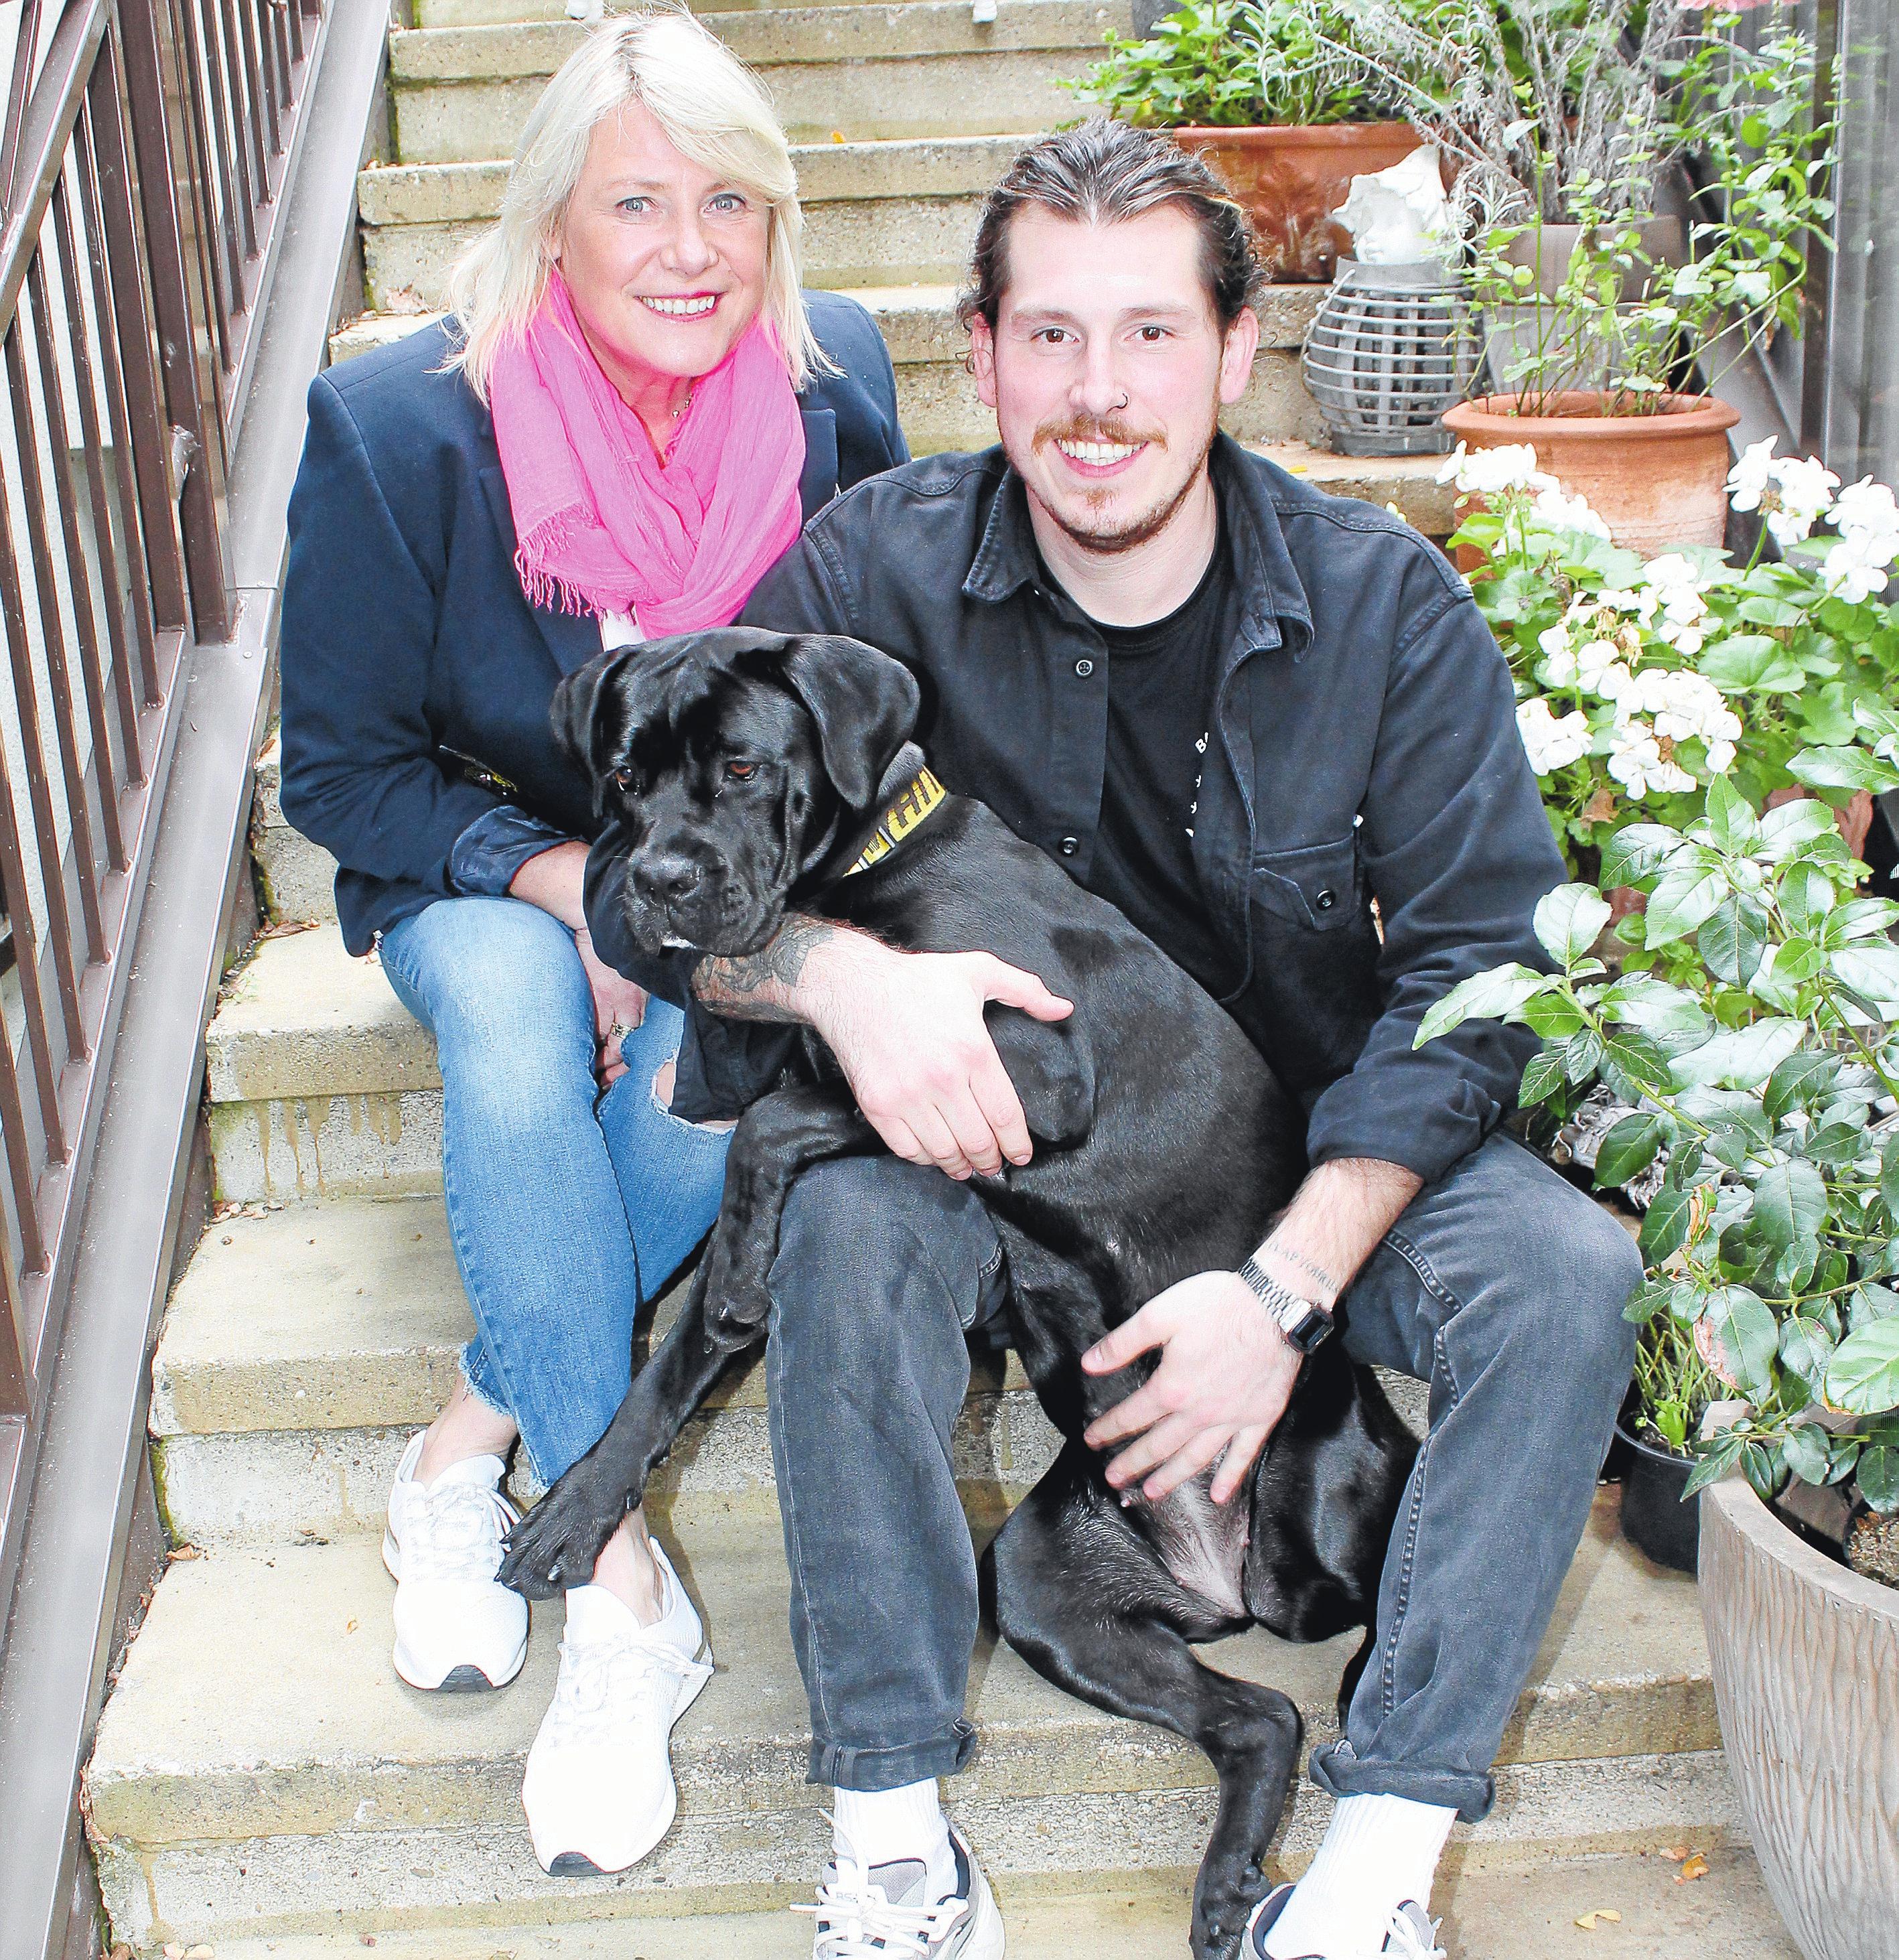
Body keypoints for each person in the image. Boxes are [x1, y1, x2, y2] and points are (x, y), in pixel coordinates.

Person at [587, 121, 1643, 1959]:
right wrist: (834, 978)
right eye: (1050, 336)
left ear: (1236, 355)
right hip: (983, 1157)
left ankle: (1379, 1858)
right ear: (980, 354)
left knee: (1557, 1273)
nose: (1097, 395)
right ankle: (893, 1827)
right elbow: (641, 904)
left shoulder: (1383, 606)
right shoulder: (863, 580)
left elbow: (1485, 972)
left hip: (1301, 1150)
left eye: (1149, 335)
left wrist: (1290, 1292)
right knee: (839, 1223)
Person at [277, 9, 905, 1880]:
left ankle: (466, 1444)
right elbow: (343, 774)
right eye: (638, 201)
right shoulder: (400, 429)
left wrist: (731, 908)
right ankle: (619, 1583)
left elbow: (879, 705)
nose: (691, 249)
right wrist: (566, 883)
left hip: (735, 881)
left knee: (710, 1095)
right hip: (484, 867)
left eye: (730, 198)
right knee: (516, 1034)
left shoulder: (832, 383)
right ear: (553, 213)